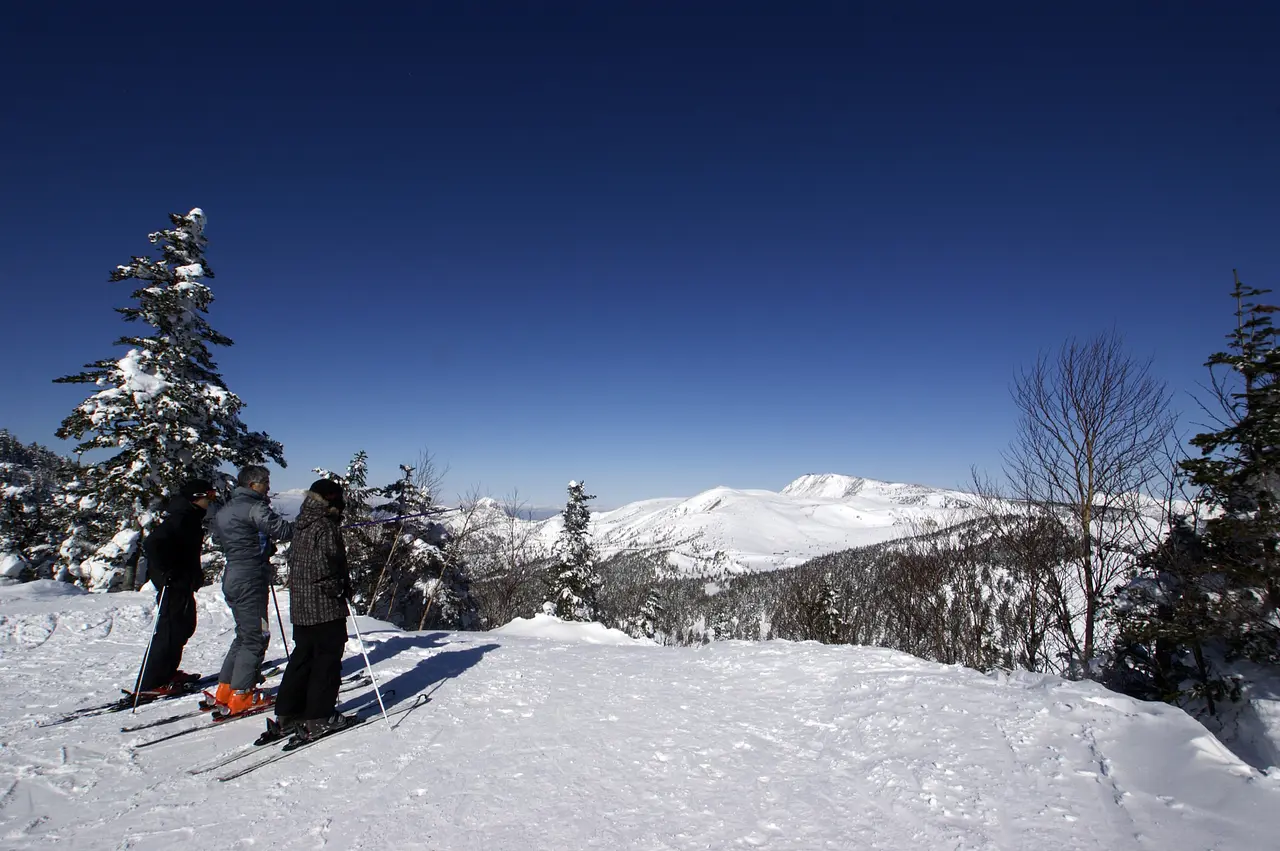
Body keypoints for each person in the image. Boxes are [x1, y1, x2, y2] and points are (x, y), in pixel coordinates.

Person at [271, 479, 357, 741]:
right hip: (324, 605)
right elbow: (325, 564)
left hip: (302, 604)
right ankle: (319, 716)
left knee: (303, 658)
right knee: (327, 660)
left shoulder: (302, 521)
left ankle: (288, 713)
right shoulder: (325, 525)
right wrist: (338, 587)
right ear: (331, 497)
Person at [209, 465, 294, 716]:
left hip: (232, 574)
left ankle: (226, 689)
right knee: (256, 636)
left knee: (243, 635)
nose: (268, 486)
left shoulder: (226, 510)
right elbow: (282, 530)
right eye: (265, 481)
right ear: (253, 484)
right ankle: (242, 694)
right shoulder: (255, 507)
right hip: (250, 577)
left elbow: (220, 540)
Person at [137, 478, 218, 696]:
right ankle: (152, 681)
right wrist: (166, 572)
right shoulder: (182, 518)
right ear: (196, 498)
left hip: (181, 582)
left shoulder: (189, 517)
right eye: (208, 496)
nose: (211, 500)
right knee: (169, 631)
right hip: (174, 584)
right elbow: (152, 543)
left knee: (182, 626)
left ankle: (166, 673)